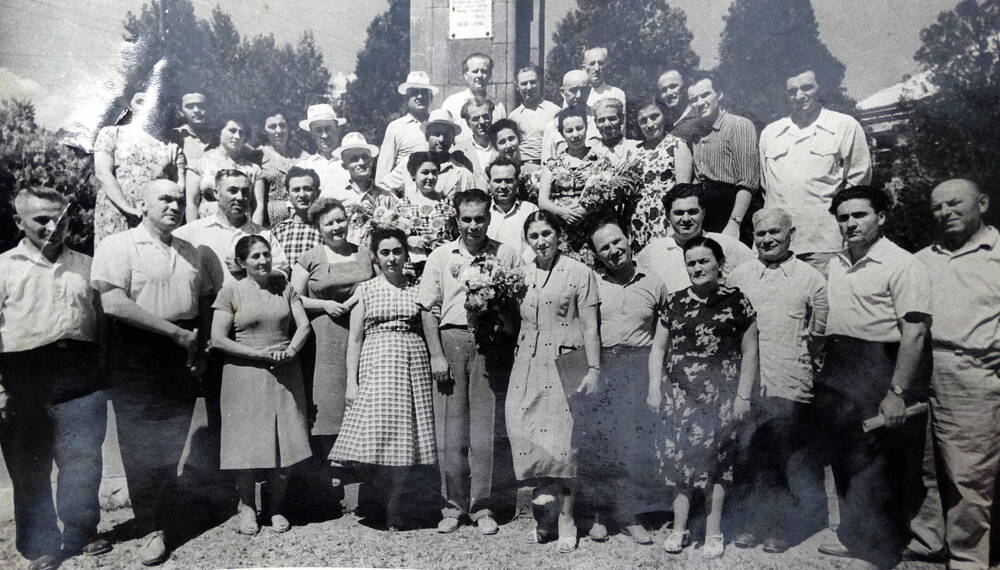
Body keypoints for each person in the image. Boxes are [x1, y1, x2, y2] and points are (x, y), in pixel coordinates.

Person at [91, 179, 213, 566]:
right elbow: (112, 303)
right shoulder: (118, 245)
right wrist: (175, 334)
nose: (174, 206)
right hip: (136, 352)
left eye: (179, 200)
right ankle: (152, 528)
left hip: (180, 351)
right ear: (142, 205)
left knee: (171, 438)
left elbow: (201, 303)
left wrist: (194, 344)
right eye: (165, 199)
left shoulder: (191, 251)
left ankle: (163, 514)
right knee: (140, 443)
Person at [812, 185, 933, 569]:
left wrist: (896, 390)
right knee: (843, 455)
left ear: (881, 217)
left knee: (879, 460)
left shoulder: (903, 264)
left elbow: (914, 331)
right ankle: (853, 535)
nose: (850, 224)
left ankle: (881, 550)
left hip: (881, 364)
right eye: (843, 217)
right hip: (840, 366)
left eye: (859, 215)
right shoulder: (835, 262)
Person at [0, 187, 109, 570]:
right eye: (41, 219)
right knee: (30, 465)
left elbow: (100, 322)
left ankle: (82, 529)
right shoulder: (3, 267)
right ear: (19, 222)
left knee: (82, 459)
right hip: (23, 374)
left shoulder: (87, 264)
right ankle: (41, 545)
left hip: (79, 369)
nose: (52, 226)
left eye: (59, 218)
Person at [417, 189, 522, 535]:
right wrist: (436, 354)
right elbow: (427, 309)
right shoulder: (440, 256)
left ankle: (482, 507)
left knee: (484, 430)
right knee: (451, 430)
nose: (473, 226)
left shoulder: (505, 254)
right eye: (466, 219)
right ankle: (452, 506)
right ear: (456, 219)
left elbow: (517, 306)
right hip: (451, 341)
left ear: (489, 218)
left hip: (491, 344)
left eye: (480, 218)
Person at [647, 236, 759, 559]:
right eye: (691, 263)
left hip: (721, 398)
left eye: (704, 261)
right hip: (679, 397)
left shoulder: (737, 301)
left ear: (719, 264)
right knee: (681, 464)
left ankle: (714, 531)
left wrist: (743, 396)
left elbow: (750, 350)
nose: (697, 268)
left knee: (718, 466)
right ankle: (679, 528)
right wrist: (654, 389)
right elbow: (658, 348)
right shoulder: (676, 302)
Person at [726, 207, 828, 554]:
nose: (768, 239)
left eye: (775, 233)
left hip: (790, 379)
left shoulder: (811, 279)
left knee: (786, 457)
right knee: (750, 455)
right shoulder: (739, 276)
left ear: (791, 234)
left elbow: (818, 334)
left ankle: (783, 526)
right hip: (748, 383)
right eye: (761, 234)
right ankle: (753, 523)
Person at [915, 179, 1000, 569]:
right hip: (924, 367)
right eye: (937, 207)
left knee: (969, 475)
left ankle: (968, 559)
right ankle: (929, 541)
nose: (945, 212)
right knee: (928, 467)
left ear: (981, 203)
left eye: (954, 203)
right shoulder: (923, 258)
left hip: (974, 371)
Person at [329, 228, 437, 530]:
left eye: (397, 251)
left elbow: (428, 326)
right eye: (384, 253)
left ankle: (396, 503)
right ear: (375, 257)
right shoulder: (366, 290)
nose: (391, 258)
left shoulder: (418, 288)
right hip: (377, 365)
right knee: (375, 436)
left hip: (411, 366)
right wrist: (352, 382)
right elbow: (354, 339)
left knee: (405, 439)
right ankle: (378, 497)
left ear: (406, 254)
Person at [507, 210, 601, 554]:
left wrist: (594, 368)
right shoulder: (520, 275)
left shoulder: (580, 272)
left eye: (547, 233)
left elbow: (591, 325)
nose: (541, 241)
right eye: (534, 236)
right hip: (527, 363)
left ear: (559, 235)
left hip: (566, 362)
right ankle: (541, 519)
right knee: (529, 438)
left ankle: (566, 519)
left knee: (564, 444)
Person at [210, 235, 312, 535]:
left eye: (266, 254)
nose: (263, 261)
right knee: (245, 444)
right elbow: (218, 338)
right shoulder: (231, 291)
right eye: (255, 256)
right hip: (244, 373)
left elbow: (303, 325)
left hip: (284, 371)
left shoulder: (285, 287)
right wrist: (258, 355)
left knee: (285, 440)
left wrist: (290, 351)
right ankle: (247, 508)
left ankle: (276, 507)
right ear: (242, 262)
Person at [584, 219, 670, 546]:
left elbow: (663, 338)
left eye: (617, 242)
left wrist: (655, 383)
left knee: (634, 446)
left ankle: (631, 516)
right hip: (603, 365)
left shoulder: (655, 283)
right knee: (602, 442)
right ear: (596, 254)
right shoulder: (592, 283)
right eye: (604, 247)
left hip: (639, 365)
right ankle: (601, 516)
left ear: (630, 239)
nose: (613, 251)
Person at [291, 197, 374, 509]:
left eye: (341, 220)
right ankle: (329, 473)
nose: (337, 226)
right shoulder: (309, 257)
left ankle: (358, 471)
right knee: (327, 401)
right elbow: (292, 297)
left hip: (363, 334)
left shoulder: (364, 254)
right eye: (329, 223)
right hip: (324, 335)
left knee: (360, 397)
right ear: (319, 228)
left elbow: (377, 286)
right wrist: (323, 304)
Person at [759, 68, 872, 273]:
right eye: (792, 91)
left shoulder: (844, 126)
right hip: (777, 245)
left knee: (826, 304)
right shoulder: (770, 133)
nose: (799, 96)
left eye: (806, 88)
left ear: (820, 89)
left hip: (824, 242)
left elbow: (858, 185)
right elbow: (767, 187)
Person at [94, 91, 185, 244]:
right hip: (115, 212)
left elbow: (179, 187)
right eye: (140, 101)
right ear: (130, 105)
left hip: (153, 219)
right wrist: (127, 208)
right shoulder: (112, 133)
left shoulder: (171, 146)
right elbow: (103, 173)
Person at [174, 169, 289, 288]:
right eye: (233, 191)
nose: (240, 197)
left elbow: (282, 272)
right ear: (216, 193)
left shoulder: (263, 234)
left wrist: (249, 272)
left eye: (245, 192)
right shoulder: (191, 232)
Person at [636, 184, 754, 292]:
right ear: (668, 216)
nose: (686, 219)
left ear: (703, 213)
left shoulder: (726, 244)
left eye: (692, 212)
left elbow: (757, 273)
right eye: (679, 213)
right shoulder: (653, 252)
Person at [687, 71, 760, 244]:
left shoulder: (739, 125)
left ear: (719, 94)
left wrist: (734, 223)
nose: (700, 103)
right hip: (706, 214)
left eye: (705, 95)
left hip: (733, 211)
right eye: (694, 99)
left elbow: (747, 182)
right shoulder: (695, 134)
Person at [537, 107, 605, 265]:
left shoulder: (600, 161)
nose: (575, 134)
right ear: (562, 134)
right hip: (563, 230)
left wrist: (584, 210)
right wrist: (564, 213)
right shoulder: (552, 164)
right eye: (569, 130)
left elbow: (608, 194)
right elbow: (543, 201)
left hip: (593, 228)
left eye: (579, 128)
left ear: (586, 128)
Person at [628, 98, 694, 252]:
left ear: (664, 116)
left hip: (664, 219)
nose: (650, 124)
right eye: (643, 121)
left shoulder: (677, 145)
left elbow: (682, 192)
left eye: (654, 117)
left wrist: (676, 224)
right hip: (637, 219)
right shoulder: (634, 151)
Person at [185, 114, 264, 224]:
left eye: (241, 133)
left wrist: (256, 237)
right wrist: (192, 234)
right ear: (219, 132)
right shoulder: (199, 164)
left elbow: (258, 206)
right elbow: (191, 203)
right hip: (207, 228)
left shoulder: (253, 169)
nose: (237, 136)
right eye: (232, 131)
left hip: (242, 231)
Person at [377, 71, 438, 193]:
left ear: (431, 97)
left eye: (424, 92)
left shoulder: (439, 125)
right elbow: (382, 173)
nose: (420, 97)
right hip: (405, 195)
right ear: (406, 97)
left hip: (436, 193)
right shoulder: (396, 127)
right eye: (414, 92)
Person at [399, 152, 460, 262]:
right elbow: (394, 240)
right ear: (413, 174)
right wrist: (407, 240)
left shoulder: (447, 204)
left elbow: (458, 236)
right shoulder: (402, 206)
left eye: (434, 172)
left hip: (443, 262)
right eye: (425, 172)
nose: (430, 177)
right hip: (413, 267)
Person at [257, 111, 308, 227]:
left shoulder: (300, 155)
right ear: (263, 131)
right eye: (272, 127)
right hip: (270, 223)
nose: (279, 131)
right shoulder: (258, 155)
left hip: (299, 220)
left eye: (282, 125)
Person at [541, 69, 600, 162]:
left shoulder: (599, 120)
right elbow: (546, 163)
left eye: (584, 90)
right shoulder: (553, 126)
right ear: (562, 92)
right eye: (573, 90)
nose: (579, 95)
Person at [485, 157, 538, 261]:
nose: (503, 186)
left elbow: (537, 245)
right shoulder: (481, 211)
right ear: (488, 183)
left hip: (523, 272)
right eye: (498, 181)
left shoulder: (531, 211)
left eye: (508, 181)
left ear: (517, 182)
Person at [507, 64, 560, 165]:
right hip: (521, 168)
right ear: (517, 86)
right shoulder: (513, 117)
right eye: (524, 83)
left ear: (540, 83)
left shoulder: (554, 111)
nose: (529, 87)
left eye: (533, 82)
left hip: (547, 166)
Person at [270, 166, 323, 267]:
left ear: (318, 193)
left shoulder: (326, 228)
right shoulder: (278, 231)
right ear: (288, 195)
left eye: (307, 189)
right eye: (296, 190)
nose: (302, 195)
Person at [296, 104, 351, 197]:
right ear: (311, 134)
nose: (324, 135)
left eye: (329, 129)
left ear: (338, 130)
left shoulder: (352, 163)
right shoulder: (304, 167)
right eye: (318, 130)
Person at [441, 52, 507, 122]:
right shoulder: (452, 103)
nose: (479, 76)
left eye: (484, 71)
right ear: (466, 75)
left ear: (490, 75)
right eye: (475, 71)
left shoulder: (498, 107)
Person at [454, 98, 498, 179]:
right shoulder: (459, 151)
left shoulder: (502, 147)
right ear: (468, 124)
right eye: (476, 119)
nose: (482, 122)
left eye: (485, 117)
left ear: (491, 117)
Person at [169, 91, 211, 167]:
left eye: (201, 106)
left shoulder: (218, 138)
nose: (196, 110)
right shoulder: (175, 136)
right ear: (181, 111)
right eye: (190, 106)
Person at [592, 98, 638, 164]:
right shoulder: (592, 153)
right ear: (595, 123)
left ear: (622, 119)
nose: (607, 125)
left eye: (612, 119)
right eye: (601, 120)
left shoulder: (635, 148)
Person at [583, 47, 627, 113]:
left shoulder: (617, 94)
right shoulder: (577, 95)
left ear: (606, 67)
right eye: (592, 64)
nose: (597, 68)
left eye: (600, 63)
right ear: (585, 67)